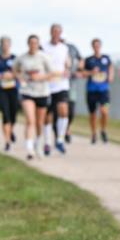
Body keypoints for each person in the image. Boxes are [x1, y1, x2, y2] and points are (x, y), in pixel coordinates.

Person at [16, 34, 55, 161]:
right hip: (27, 91)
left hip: (42, 92)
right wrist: (20, 78)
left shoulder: (44, 57)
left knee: (39, 122)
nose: (33, 45)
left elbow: (52, 74)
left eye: (35, 43)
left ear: (38, 44)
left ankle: (38, 143)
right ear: (28, 44)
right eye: (31, 43)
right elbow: (15, 70)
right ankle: (29, 149)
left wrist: (40, 77)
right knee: (30, 120)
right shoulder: (22, 58)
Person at [43, 24, 72, 155]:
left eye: (59, 32)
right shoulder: (44, 47)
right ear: (51, 32)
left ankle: (60, 140)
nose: (56, 34)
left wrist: (67, 69)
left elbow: (67, 63)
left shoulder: (64, 48)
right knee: (47, 115)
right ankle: (47, 142)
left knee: (64, 111)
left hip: (61, 84)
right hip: (47, 85)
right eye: (54, 31)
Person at [0, 36, 21, 152]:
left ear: (10, 45)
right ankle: (7, 141)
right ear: (0, 45)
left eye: (7, 44)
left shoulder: (15, 59)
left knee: (13, 115)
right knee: (6, 114)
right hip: (1, 90)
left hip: (13, 89)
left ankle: (11, 130)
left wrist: (12, 75)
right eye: (3, 44)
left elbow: (20, 73)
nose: (5, 46)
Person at [81, 38, 112, 144]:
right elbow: (83, 73)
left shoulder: (106, 58)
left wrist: (110, 76)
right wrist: (91, 72)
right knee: (93, 114)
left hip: (104, 90)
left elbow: (110, 67)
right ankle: (93, 133)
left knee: (104, 111)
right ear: (92, 47)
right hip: (92, 90)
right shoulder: (88, 59)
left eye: (98, 45)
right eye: (95, 45)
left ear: (100, 46)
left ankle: (103, 130)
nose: (96, 47)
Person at [60, 37, 82, 144]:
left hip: (71, 83)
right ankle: (60, 133)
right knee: (58, 109)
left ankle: (67, 128)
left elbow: (81, 59)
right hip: (56, 84)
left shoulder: (72, 48)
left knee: (71, 109)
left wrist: (79, 69)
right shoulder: (49, 48)